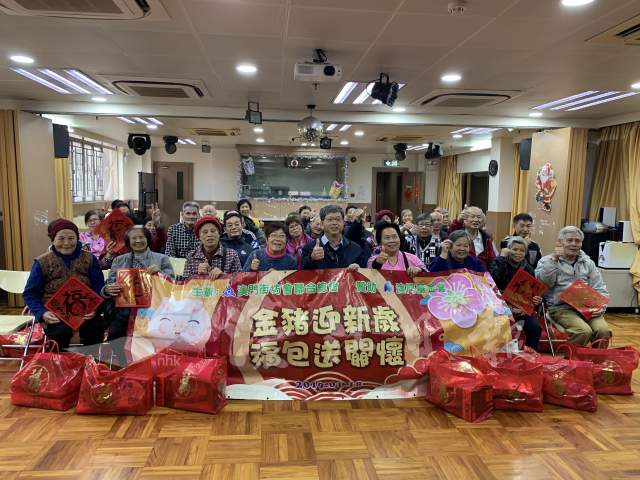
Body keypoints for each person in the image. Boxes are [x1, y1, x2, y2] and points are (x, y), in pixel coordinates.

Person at [22, 218, 105, 350]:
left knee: (94, 328)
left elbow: (99, 288)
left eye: (71, 238)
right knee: (60, 332)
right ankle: (60, 361)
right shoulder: (42, 262)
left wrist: (95, 308)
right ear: (53, 240)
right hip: (55, 313)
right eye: (61, 238)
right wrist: (43, 313)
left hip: (84, 311)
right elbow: (30, 293)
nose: (66, 243)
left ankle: (90, 360)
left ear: (77, 239)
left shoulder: (90, 259)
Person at [536, 226, 610, 346]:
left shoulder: (588, 263)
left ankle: (596, 357)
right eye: (569, 240)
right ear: (560, 242)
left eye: (577, 241)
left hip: (587, 307)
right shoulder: (546, 261)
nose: (574, 244)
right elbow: (544, 284)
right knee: (583, 331)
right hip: (561, 308)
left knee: (603, 331)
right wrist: (554, 260)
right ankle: (572, 357)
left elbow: (599, 287)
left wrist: (602, 306)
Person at [102, 226, 174, 350]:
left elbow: (172, 284)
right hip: (125, 309)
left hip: (153, 308)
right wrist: (107, 290)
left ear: (147, 239)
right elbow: (110, 284)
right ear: (128, 241)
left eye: (141, 237)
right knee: (115, 334)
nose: (138, 240)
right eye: (134, 238)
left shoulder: (161, 258)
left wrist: (160, 273)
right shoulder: (119, 260)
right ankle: (123, 360)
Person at [491, 236, 542, 350]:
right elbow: (494, 281)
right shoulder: (499, 261)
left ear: (525, 253)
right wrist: (502, 258)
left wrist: (536, 300)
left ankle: (531, 355)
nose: (518, 253)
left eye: (522, 250)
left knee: (535, 327)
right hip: (500, 306)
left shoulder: (529, 268)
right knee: (501, 325)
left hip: (521, 309)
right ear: (508, 250)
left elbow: (532, 294)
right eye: (514, 249)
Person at [302, 205, 368, 270]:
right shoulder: (309, 248)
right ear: (322, 224)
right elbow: (303, 271)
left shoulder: (355, 249)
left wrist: (358, 269)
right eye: (330, 219)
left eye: (338, 219)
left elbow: (364, 271)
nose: (334, 223)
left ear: (343, 223)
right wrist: (312, 259)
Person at [462, 206, 497, 270]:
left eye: (479, 217)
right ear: (465, 220)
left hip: (483, 274)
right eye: (472, 217)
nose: (476, 220)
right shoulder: (459, 236)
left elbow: (493, 260)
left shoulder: (487, 238)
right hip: (463, 274)